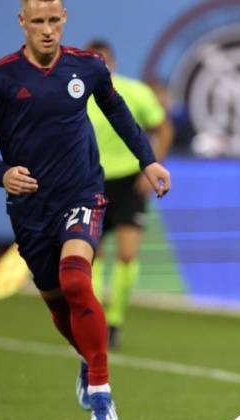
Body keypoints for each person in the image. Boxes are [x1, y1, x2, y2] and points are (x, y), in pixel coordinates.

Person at [0, 0, 171, 420]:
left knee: (76, 279)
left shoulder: (88, 67)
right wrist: (1, 173)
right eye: (38, 21)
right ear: (22, 23)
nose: (48, 30)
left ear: (65, 20)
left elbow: (119, 114)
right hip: (30, 207)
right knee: (57, 302)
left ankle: (101, 389)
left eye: (54, 20)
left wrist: (147, 161)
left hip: (82, 193)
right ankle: (87, 357)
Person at [85, 39, 174, 349]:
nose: (100, 67)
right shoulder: (75, 96)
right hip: (91, 182)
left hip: (128, 182)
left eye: (104, 61)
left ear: (113, 63)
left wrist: (151, 168)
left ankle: (115, 322)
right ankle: (93, 320)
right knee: (90, 256)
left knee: (126, 254)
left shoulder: (134, 92)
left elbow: (163, 128)